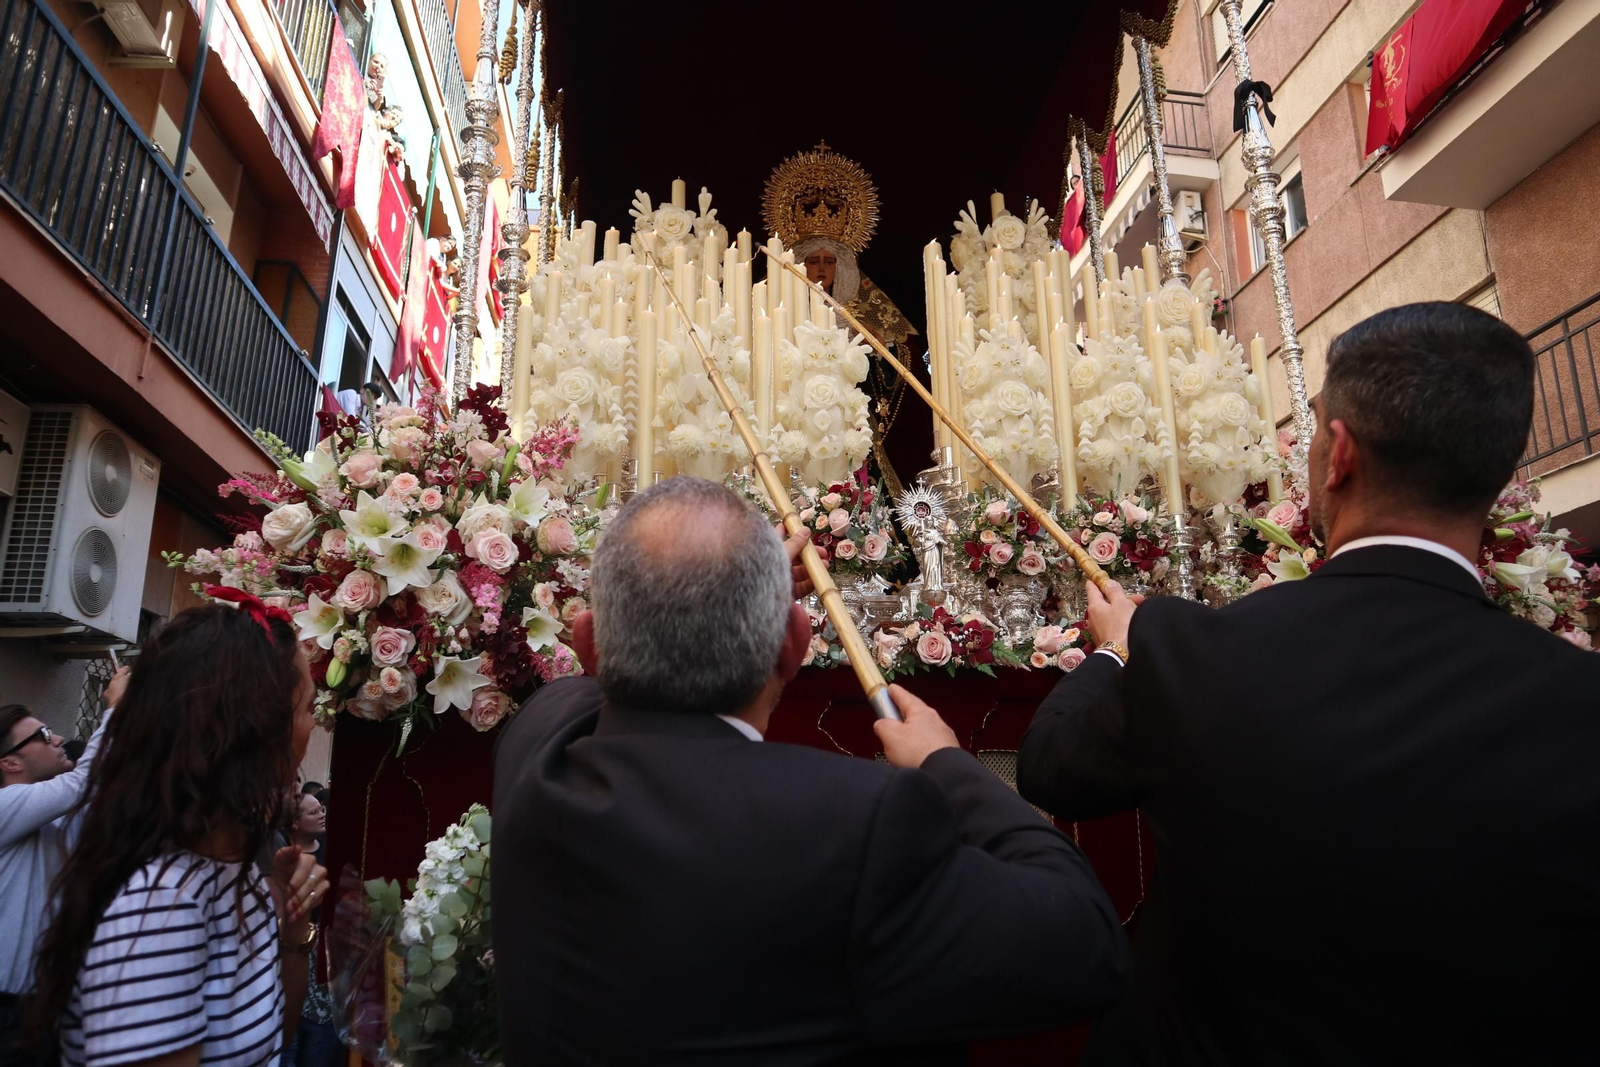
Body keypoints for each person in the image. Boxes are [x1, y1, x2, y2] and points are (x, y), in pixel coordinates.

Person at [1017, 302, 1600, 1064]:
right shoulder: (1579, 702)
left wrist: (1121, 647)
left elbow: (1054, 765)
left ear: (1338, 456)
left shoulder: (1192, 652)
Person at [493, 477, 1127, 1065]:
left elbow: (591, 679)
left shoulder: (538, 744)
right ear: (795, 647)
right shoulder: (862, 822)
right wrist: (947, 765)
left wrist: (724, 591)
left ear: (587, 643)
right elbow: (1084, 945)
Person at [26, 596, 329, 1066]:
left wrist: (293, 929)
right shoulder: (163, 907)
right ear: (254, 728)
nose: (316, 723)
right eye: (309, 707)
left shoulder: (239, 870)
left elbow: (274, 1037)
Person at [0, 671, 126, 1063]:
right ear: (9, 762)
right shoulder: (4, 807)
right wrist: (116, 710)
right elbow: (84, 782)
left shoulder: (48, 817)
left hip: (43, 1005)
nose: (56, 738)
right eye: (42, 735)